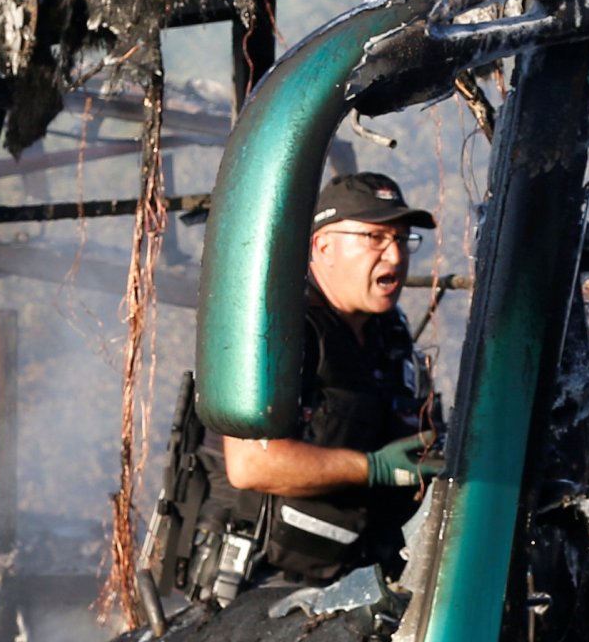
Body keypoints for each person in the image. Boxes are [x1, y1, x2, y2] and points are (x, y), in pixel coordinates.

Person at [187, 172, 445, 602]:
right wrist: (375, 469)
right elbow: (251, 463)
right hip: (256, 591)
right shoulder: (277, 328)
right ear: (322, 247)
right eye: (374, 237)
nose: (395, 255)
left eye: (402, 239)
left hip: (347, 583)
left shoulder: (389, 335)